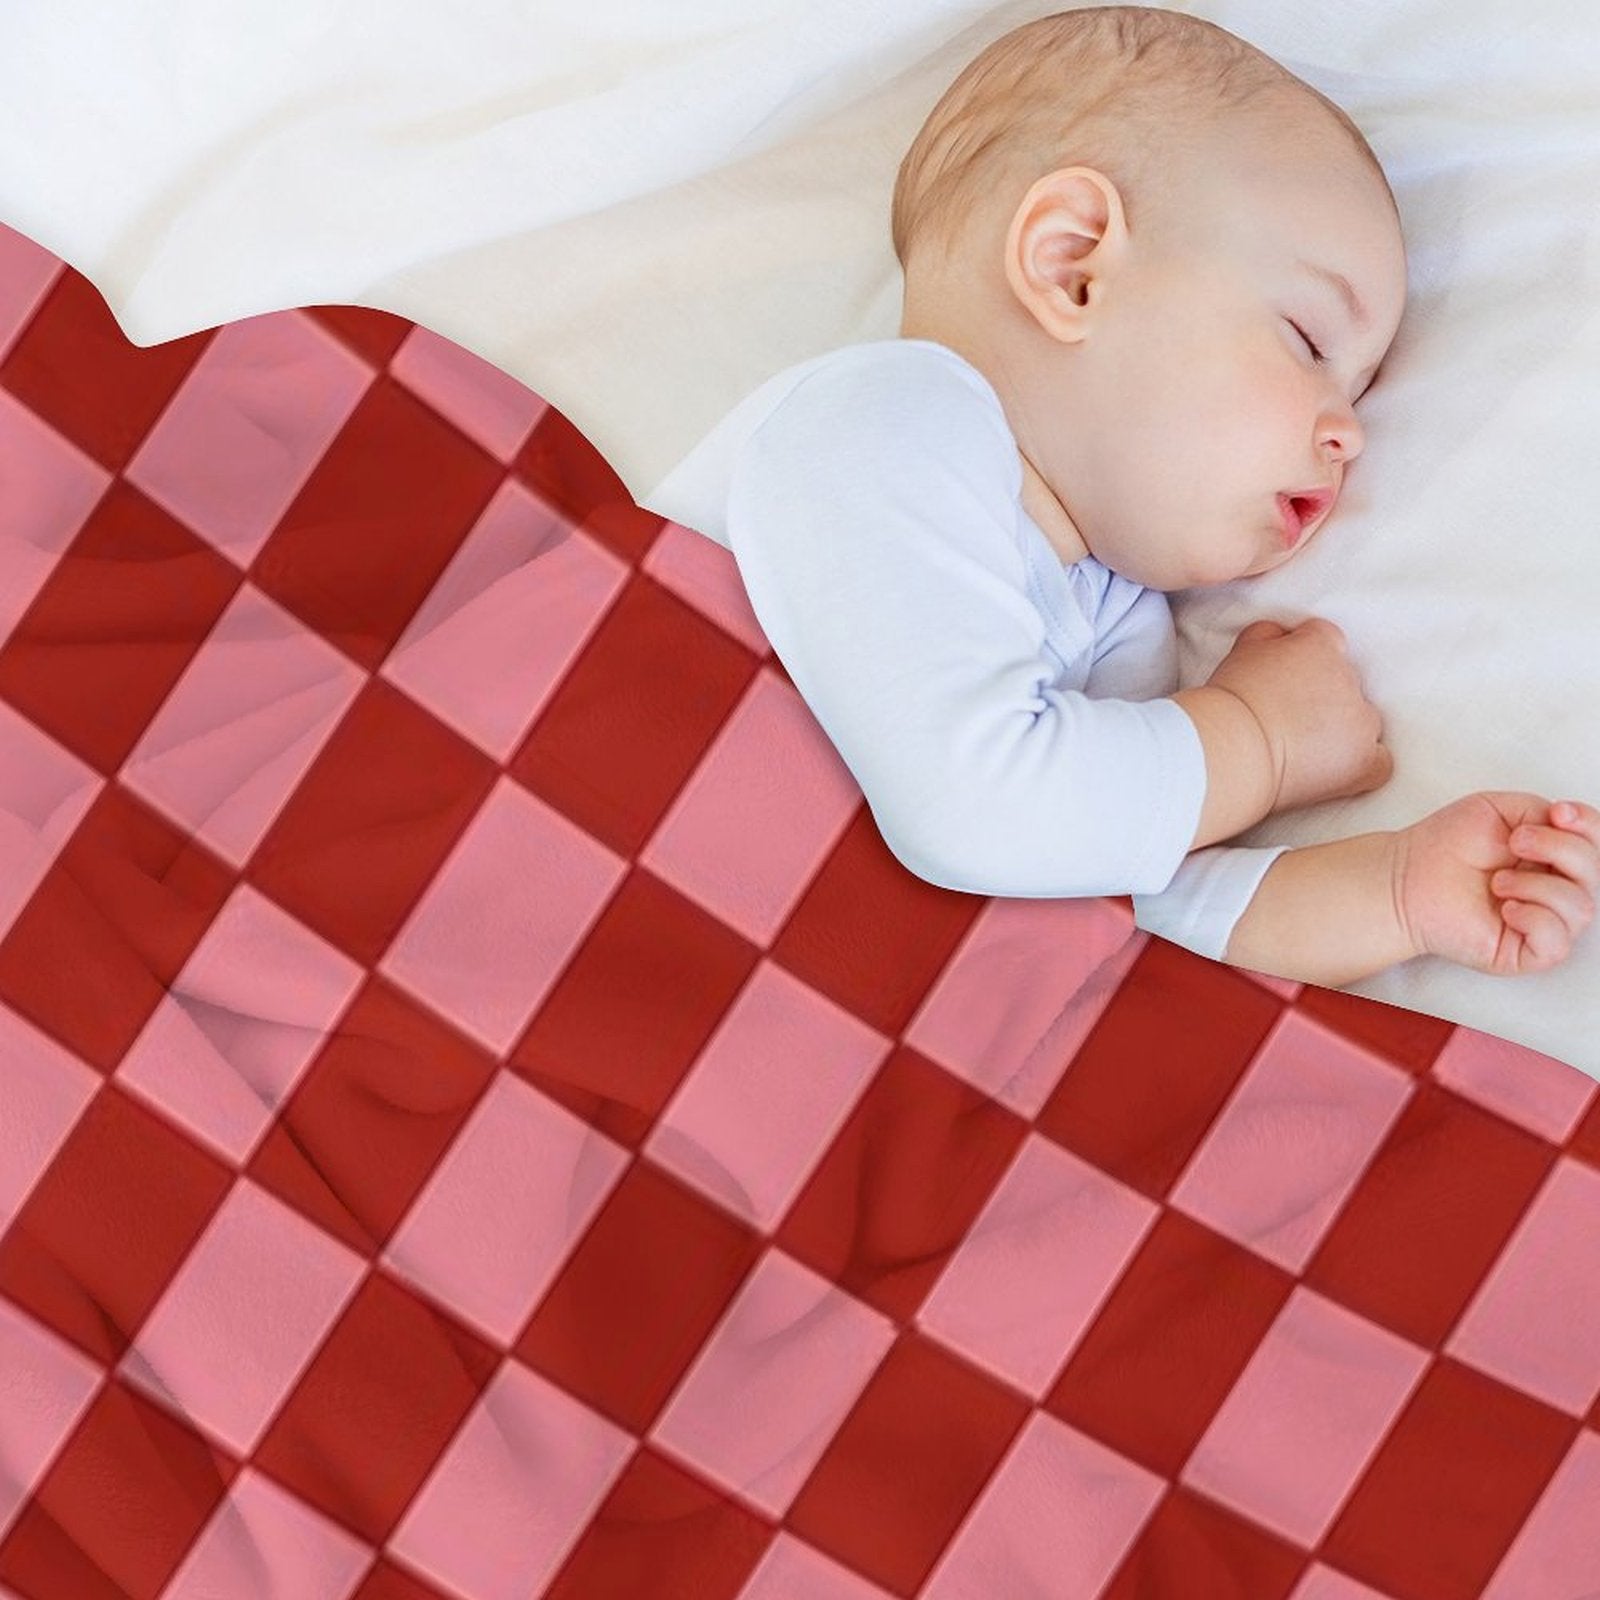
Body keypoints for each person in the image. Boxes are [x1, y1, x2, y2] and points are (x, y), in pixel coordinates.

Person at [649, 5, 1598, 989]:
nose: (1347, 430)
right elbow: (978, 810)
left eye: (1356, 390)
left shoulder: (1111, 615)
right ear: (1073, 268)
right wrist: (1256, 740)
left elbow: (1112, 908)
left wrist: (1397, 892)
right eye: (1309, 343)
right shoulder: (882, 420)